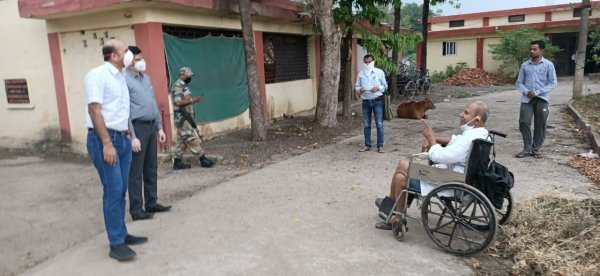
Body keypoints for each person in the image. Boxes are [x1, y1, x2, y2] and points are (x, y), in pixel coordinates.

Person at [374, 100, 490, 230]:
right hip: (460, 175)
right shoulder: (481, 134)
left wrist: (431, 138)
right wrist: (436, 138)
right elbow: (455, 140)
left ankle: (392, 205)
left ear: (476, 120)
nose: (461, 114)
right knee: (401, 178)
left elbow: (441, 156)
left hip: (449, 180)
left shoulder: (469, 139)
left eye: (466, 112)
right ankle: (395, 213)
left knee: (403, 166)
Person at [85, 39, 147, 261]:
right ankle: (116, 243)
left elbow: (121, 111)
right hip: (105, 140)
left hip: (122, 139)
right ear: (114, 55)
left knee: (120, 190)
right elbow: (95, 111)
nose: (129, 54)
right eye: (125, 51)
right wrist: (107, 144)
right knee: (113, 190)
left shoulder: (121, 77)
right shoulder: (97, 76)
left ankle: (121, 233)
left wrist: (129, 136)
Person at [125, 46, 171, 221]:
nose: (141, 61)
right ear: (129, 61)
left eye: (141, 58)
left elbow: (153, 103)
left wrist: (160, 127)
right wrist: (132, 136)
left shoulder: (146, 79)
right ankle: (136, 209)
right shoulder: (124, 81)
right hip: (138, 127)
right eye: (137, 58)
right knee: (136, 171)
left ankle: (151, 202)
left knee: (151, 167)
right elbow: (126, 111)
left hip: (151, 126)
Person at [515, 40, 557, 159]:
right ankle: (527, 148)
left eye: (535, 49)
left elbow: (553, 82)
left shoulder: (548, 65)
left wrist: (537, 92)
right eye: (531, 49)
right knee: (524, 122)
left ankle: (536, 149)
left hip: (542, 98)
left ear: (541, 50)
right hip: (527, 99)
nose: (532, 51)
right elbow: (518, 82)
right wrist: (526, 91)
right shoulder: (525, 65)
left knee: (541, 124)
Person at [170, 66, 215, 170]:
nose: (190, 77)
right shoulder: (177, 86)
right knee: (191, 138)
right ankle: (203, 159)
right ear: (183, 75)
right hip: (182, 117)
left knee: (182, 141)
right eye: (189, 75)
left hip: (186, 117)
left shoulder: (183, 85)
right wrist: (192, 100)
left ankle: (177, 162)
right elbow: (178, 102)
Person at [355, 54, 388, 153]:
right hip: (365, 101)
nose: (368, 63)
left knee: (379, 124)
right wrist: (360, 89)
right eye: (366, 62)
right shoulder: (360, 74)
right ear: (363, 62)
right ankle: (367, 145)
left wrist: (378, 88)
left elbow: (385, 85)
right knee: (366, 124)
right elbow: (356, 86)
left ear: (373, 61)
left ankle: (380, 146)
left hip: (377, 100)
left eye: (369, 61)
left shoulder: (379, 72)